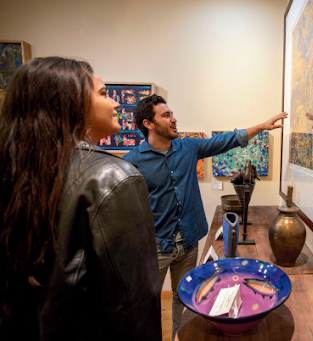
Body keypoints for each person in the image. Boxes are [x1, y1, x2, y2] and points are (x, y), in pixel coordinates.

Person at [0, 57, 162, 340]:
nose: (115, 103)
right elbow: (133, 305)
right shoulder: (114, 177)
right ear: (70, 103)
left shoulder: (15, 171)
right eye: (103, 94)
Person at [122, 94, 287, 339]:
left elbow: (226, 140)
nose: (174, 119)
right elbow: (127, 210)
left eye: (172, 113)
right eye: (166, 115)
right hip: (155, 249)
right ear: (148, 123)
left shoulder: (187, 147)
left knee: (184, 299)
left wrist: (261, 126)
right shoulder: (132, 162)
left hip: (188, 243)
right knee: (146, 306)